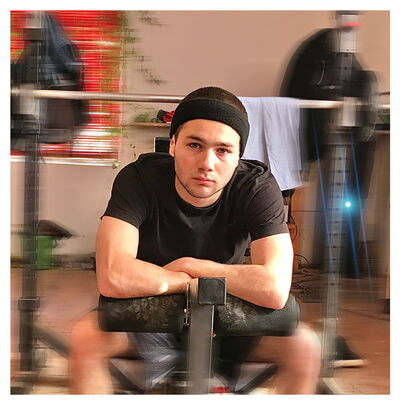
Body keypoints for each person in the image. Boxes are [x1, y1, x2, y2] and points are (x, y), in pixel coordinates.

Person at [68, 86, 321, 394]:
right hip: (150, 309)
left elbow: (274, 288)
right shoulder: (139, 179)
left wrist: (191, 266)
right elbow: (113, 276)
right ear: (173, 145)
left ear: (238, 157)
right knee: (87, 337)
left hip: (226, 315)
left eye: (223, 150)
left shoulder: (256, 187)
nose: (207, 163)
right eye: (195, 145)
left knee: (304, 347)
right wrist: (188, 283)